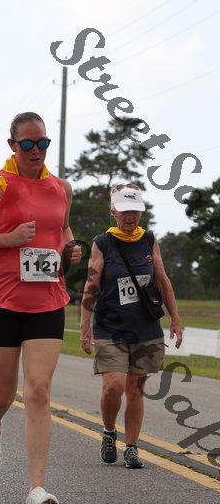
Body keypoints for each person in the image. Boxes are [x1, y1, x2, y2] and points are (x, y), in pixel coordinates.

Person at [0, 111, 81, 504]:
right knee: (3, 394)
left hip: (47, 301)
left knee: (39, 391)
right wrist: (9, 239)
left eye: (42, 143)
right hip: (0, 301)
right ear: (13, 145)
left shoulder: (61, 188)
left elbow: (62, 229)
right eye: (27, 143)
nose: (35, 150)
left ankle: (36, 491)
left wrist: (70, 247)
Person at [80, 183, 183, 469]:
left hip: (145, 327)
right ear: (113, 212)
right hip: (110, 326)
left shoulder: (148, 239)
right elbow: (91, 285)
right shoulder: (102, 242)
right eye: (124, 211)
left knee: (136, 388)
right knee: (113, 386)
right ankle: (109, 432)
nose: (130, 216)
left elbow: (162, 279)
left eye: (135, 211)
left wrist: (175, 318)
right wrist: (85, 326)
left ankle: (132, 447)